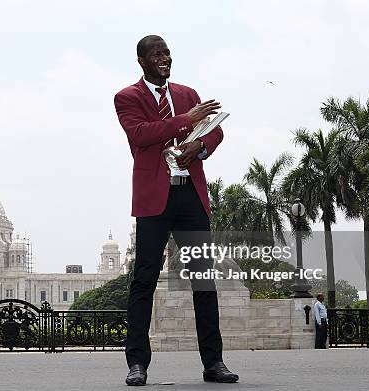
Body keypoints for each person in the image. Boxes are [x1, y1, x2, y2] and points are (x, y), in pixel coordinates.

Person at [114, 35, 239, 386]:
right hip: (155, 198)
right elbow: (141, 134)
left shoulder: (187, 94)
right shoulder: (127, 97)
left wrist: (199, 145)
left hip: (191, 197)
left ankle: (214, 363)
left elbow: (215, 131)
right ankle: (137, 363)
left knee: (204, 280)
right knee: (144, 281)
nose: (164, 58)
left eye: (167, 53)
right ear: (142, 61)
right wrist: (186, 120)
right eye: (156, 54)